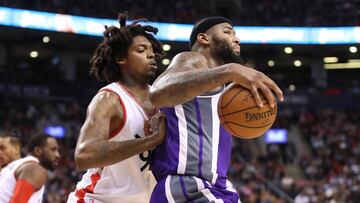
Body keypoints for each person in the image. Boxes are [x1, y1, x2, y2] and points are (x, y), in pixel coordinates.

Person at [149, 16, 284, 202]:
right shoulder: (192, 59)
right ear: (204, 39)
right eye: (227, 32)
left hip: (216, 186)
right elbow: (157, 94)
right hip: (187, 186)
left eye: (235, 34)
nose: (236, 39)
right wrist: (230, 70)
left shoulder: (224, 87)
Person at [67, 13, 166, 203]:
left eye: (152, 49)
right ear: (121, 59)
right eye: (141, 49)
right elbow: (84, 156)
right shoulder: (109, 99)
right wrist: (152, 141)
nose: (151, 54)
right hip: (98, 199)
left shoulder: (164, 100)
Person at [0, 133, 60, 203]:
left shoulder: (16, 164)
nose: (58, 155)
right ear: (38, 151)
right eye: (53, 150)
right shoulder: (34, 169)